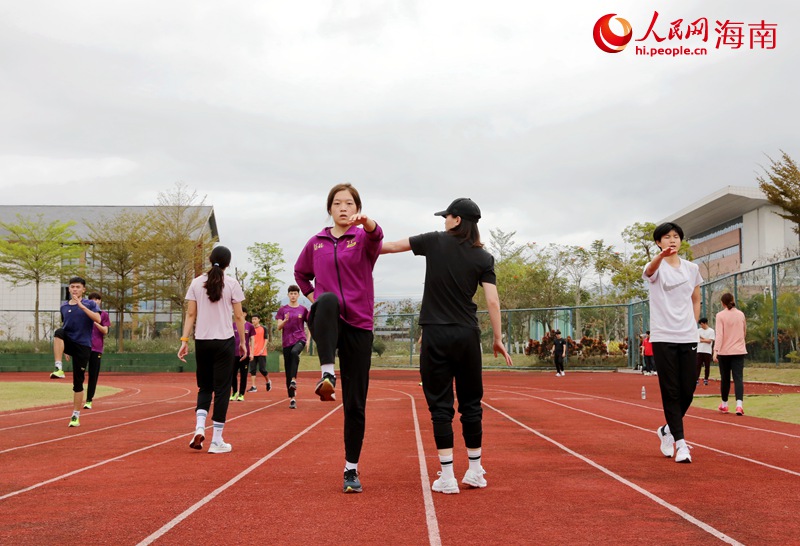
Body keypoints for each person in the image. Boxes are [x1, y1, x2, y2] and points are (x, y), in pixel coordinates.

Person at [381, 197, 513, 494]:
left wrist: (355, 241)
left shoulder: (433, 241)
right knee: (471, 403)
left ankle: (448, 477)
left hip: (436, 335)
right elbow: (492, 300)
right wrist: (498, 338)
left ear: (456, 220)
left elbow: (387, 247)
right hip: (467, 335)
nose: (443, 221)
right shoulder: (484, 257)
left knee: (440, 405)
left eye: (447, 216)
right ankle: (476, 471)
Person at [294, 183, 383, 493]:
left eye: (349, 203)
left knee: (356, 403)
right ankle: (327, 373)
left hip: (359, 324)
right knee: (328, 300)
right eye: (337, 203)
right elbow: (300, 273)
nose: (343, 208)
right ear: (329, 209)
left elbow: (377, 236)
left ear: (357, 208)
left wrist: (367, 223)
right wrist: (312, 296)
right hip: (329, 319)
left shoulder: (363, 239)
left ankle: (351, 469)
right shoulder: (315, 243)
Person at [643, 222, 702, 464]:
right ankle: (681, 443)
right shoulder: (654, 267)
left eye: (676, 236)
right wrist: (659, 257)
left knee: (688, 390)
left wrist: (693, 324)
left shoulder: (692, 268)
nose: (672, 240)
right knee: (671, 391)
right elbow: (649, 271)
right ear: (658, 242)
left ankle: (666, 430)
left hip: (687, 336)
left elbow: (696, 299)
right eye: (666, 237)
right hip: (663, 336)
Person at [178, 245, 247, 454]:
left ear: (210, 260)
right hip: (224, 341)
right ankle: (216, 440)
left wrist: (184, 340)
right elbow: (239, 316)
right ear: (228, 263)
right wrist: (243, 342)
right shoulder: (232, 284)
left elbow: (190, 315)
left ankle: (199, 427)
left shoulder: (196, 283)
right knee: (223, 389)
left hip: (202, 341)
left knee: (205, 387)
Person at [52, 277, 102, 427]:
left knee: (78, 383)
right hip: (70, 343)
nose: (75, 289)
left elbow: (98, 319)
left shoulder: (90, 304)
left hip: (83, 346)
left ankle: (75, 415)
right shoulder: (63, 306)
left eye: (78, 287)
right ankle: (58, 367)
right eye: (72, 287)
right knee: (58, 332)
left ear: (83, 290)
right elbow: (65, 327)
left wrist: (82, 306)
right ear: (69, 289)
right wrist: (64, 349)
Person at [713, 293, 747, 416]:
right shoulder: (741, 314)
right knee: (738, 378)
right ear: (732, 301)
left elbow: (719, 334)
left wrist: (715, 351)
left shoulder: (720, 315)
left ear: (722, 303)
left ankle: (725, 404)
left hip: (725, 352)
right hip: (739, 351)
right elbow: (744, 332)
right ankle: (739, 406)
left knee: (725, 379)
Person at [276, 285, 309, 410]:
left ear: (298, 295)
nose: (293, 295)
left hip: (300, 338)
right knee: (288, 372)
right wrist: (284, 321)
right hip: (286, 342)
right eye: (291, 293)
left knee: (295, 352)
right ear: (288, 295)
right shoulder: (283, 309)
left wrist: (309, 340)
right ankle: (292, 399)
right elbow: (279, 326)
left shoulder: (303, 309)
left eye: (295, 293)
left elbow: (309, 324)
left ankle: (294, 379)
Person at [84, 292, 111, 410]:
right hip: (83, 347)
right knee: (79, 374)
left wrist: (95, 321)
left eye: (97, 299)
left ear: (100, 301)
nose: (95, 301)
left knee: (93, 375)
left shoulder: (104, 315)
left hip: (96, 348)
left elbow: (105, 331)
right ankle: (78, 395)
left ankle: (89, 399)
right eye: (92, 299)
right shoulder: (84, 313)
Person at [230, 316, 255, 401]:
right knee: (233, 374)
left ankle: (241, 394)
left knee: (243, 375)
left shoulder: (249, 326)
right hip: (233, 354)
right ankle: (234, 392)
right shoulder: (232, 325)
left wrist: (251, 353)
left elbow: (252, 339)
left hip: (245, 355)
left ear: (244, 314)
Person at [247, 315, 272, 393]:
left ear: (259, 320)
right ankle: (254, 386)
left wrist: (263, 349)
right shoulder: (250, 329)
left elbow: (266, 339)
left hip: (261, 352)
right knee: (252, 370)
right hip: (252, 353)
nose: (253, 320)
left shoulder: (263, 328)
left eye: (255, 319)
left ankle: (268, 381)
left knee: (262, 369)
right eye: (252, 319)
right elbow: (248, 341)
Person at [696, 317, 715, 386]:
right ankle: (696, 379)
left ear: (705, 323)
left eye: (702, 324)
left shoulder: (711, 331)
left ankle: (706, 379)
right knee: (698, 365)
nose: (701, 326)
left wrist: (702, 339)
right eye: (700, 324)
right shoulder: (698, 331)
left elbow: (710, 341)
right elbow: (697, 340)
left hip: (707, 351)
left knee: (707, 366)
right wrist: (705, 340)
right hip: (699, 350)